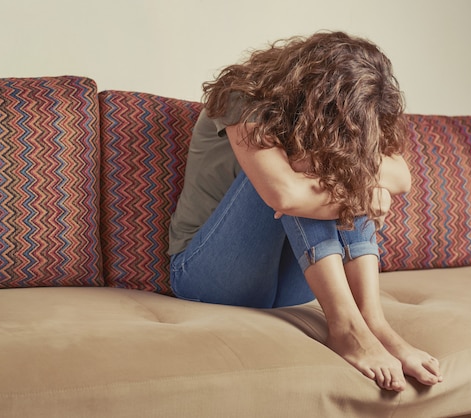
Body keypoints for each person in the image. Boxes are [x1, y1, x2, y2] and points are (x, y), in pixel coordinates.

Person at [168, 31, 443, 392]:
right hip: (207, 275)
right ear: (315, 95)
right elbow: (284, 195)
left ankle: (374, 323)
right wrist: (363, 190)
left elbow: (401, 176)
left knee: (342, 167)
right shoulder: (240, 95)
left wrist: (363, 180)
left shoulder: (344, 119)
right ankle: (345, 328)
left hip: (295, 287)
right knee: (308, 171)